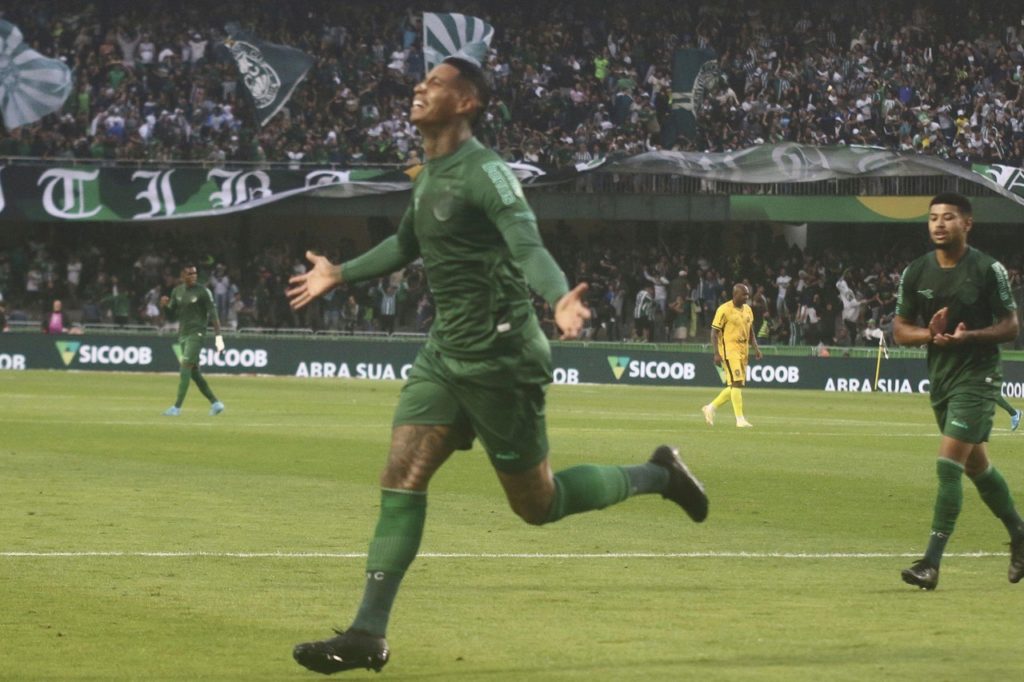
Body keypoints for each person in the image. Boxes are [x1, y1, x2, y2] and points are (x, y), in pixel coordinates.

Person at [286, 57, 708, 675]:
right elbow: (408, 242)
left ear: (467, 103)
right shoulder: (431, 171)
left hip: (502, 361)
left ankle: (657, 474)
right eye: (421, 79)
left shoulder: (487, 173)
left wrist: (558, 296)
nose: (419, 86)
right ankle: (366, 633)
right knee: (401, 473)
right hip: (444, 357)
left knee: (538, 504)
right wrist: (339, 273)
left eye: (435, 82)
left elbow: (526, 242)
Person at [893, 193, 1024, 590]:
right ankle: (1020, 535)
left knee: (947, 464)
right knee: (977, 467)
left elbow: (1011, 326)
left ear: (967, 223)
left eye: (948, 217)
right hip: (943, 379)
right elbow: (901, 330)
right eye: (933, 218)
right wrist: (929, 335)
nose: (938, 224)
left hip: (979, 375)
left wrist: (971, 337)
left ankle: (930, 564)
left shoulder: (988, 270)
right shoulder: (916, 272)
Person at [159, 264, 225, 417]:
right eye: (189, 274)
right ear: (182, 276)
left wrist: (219, 339)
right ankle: (216, 403)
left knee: (185, 366)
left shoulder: (203, 291)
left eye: (195, 273)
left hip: (197, 334)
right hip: (183, 334)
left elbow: (213, 315)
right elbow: (171, 316)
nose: (193, 276)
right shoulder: (178, 291)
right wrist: (164, 306)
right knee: (194, 373)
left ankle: (176, 408)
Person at [702, 283, 762, 428]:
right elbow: (714, 332)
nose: (747, 297)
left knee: (737, 384)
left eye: (747, 294)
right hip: (730, 350)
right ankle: (739, 419)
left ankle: (711, 407)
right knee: (736, 383)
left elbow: (750, 330)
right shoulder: (724, 310)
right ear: (735, 295)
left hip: (743, 350)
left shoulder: (748, 309)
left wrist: (756, 347)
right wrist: (716, 353)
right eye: (744, 295)